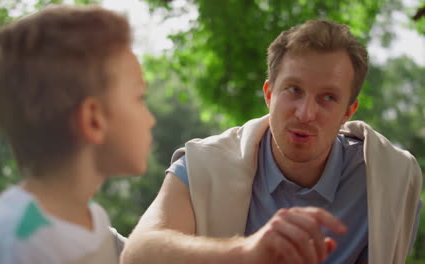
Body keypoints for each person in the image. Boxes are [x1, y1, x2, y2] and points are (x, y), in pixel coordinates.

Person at [121, 19, 422, 264]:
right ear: (269, 94)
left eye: (328, 97)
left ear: (348, 111)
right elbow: (137, 254)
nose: (306, 113)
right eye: (294, 90)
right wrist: (247, 252)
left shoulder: (388, 179)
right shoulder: (205, 165)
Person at [0, 5, 155, 264]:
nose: (150, 119)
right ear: (93, 120)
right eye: (139, 98)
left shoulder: (92, 220)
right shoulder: (21, 244)